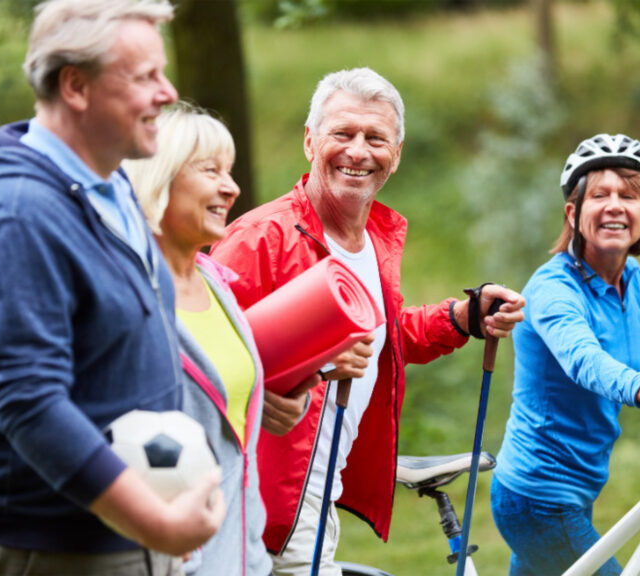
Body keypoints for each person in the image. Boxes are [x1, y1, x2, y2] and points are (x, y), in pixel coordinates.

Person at [0, 2, 226, 575]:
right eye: (145, 76)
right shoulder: (15, 215)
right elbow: (30, 403)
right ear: (76, 86)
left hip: (118, 537)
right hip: (41, 552)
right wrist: (154, 522)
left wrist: (166, 499)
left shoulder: (110, 186)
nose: (168, 93)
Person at [210, 67, 526, 575]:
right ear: (310, 142)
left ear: (395, 156)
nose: (358, 151)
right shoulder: (261, 239)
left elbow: (381, 337)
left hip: (319, 492)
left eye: (375, 138)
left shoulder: (374, 239)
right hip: (263, 498)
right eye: (343, 133)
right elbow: (201, 358)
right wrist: (309, 366)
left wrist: (463, 317)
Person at [124, 103, 317, 576]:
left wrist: (273, 399)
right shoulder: (125, 294)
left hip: (241, 553)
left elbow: (223, 406)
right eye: (210, 171)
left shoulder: (216, 283)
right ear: (158, 176)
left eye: (229, 172)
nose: (231, 187)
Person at [490, 133, 640, 576]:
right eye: (599, 195)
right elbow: (585, 360)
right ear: (573, 214)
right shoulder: (553, 289)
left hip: (576, 491)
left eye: (628, 196)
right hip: (538, 497)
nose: (614, 206)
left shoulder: (632, 278)